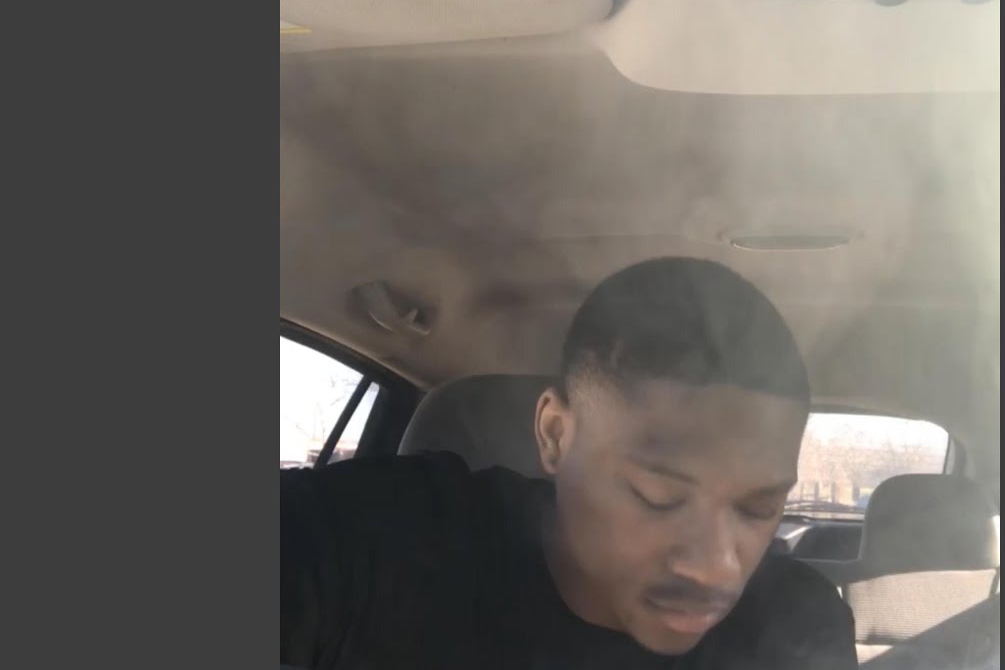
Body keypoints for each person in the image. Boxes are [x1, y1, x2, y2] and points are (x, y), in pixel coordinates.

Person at [281, 257, 856, 669]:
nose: (715, 568)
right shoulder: (387, 542)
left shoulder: (794, 624)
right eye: (658, 497)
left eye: (759, 508)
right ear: (555, 433)